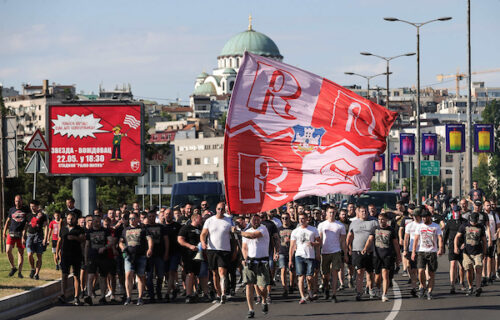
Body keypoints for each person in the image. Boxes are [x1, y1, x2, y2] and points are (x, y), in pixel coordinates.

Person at [363, 212, 401, 302]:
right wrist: (365, 248)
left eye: (382, 219)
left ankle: (385, 294)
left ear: (386, 220)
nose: (380, 221)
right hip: (377, 256)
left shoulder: (391, 230)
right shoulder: (375, 229)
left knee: (385, 274)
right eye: (379, 219)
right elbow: (370, 239)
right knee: (377, 276)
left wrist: (398, 255)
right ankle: (378, 289)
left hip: (387, 255)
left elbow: (396, 244)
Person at [201, 201, 233, 304]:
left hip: (224, 250)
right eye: (218, 209)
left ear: (225, 210)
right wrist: (203, 242)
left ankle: (223, 293)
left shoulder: (229, 220)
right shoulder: (210, 220)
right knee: (215, 274)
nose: (220, 211)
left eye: (222, 209)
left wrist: (234, 229)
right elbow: (203, 234)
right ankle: (218, 294)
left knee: (222, 272)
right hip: (212, 250)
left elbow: (233, 231)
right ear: (215, 209)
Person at [119, 211, 153, 306]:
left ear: (138, 219)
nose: (131, 220)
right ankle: (129, 297)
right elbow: (121, 242)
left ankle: (140, 297)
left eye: (133, 218)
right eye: (130, 218)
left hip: (140, 255)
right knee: (128, 275)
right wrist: (123, 248)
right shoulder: (125, 230)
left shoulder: (143, 229)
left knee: (140, 276)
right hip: (129, 256)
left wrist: (150, 249)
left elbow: (149, 239)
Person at [241, 214, 271, 319]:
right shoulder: (247, 231)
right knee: (249, 285)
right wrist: (245, 258)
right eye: (254, 220)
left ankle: (263, 300)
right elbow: (244, 247)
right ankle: (251, 309)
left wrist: (239, 232)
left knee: (262, 286)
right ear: (250, 221)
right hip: (250, 261)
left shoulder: (263, 229)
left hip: (262, 261)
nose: (256, 221)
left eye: (258, 219)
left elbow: (253, 236)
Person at [347, 206, 378, 301]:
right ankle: (359, 292)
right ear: (358, 213)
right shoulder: (353, 223)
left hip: (370, 251)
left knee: (370, 272)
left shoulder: (373, 222)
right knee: (359, 272)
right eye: (362, 211)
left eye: (365, 211)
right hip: (357, 250)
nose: (364, 213)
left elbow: (377, 235)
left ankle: (371, 289)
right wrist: (348, 248)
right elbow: (349, 236)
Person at [411, 208, 444, 300]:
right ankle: (422, 286)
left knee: (431, 274)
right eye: (422, 217)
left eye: (425, 217)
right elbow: (416, 239)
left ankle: (429, 291)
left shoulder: (435, 226)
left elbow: (440, 238)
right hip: (421, 251)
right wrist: (413, 252)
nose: (424, 219)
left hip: (432, 252)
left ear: (429, 217)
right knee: (421, 271)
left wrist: (440, 249)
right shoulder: (420, 226)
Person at [317, 206, 347, 302]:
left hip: (336, 251)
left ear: (336, 213)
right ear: (326, 213)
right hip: (325, 252)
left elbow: (343, 241)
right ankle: (326, 289)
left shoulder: (340, 226)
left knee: (334, 273)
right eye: (330, 212)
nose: (331, 214)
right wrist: (318, 252)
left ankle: (334, 294)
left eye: (333, 212)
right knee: (325, 275)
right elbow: (319, 240)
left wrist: (345, 253)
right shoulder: (322, 225)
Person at [289, 212, 320, 304]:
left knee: (310, 277)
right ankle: (302, 297)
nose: (301, 220)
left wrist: (313, 244)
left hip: (310, 256)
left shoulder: (313, 229)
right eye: (300, 219)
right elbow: (291, 246)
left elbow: (319, 242)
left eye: (303, 218)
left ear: (307, 219)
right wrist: (290, 260)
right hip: (299, 255)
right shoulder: (295, 231)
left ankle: (310, 291)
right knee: (301, 277)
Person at [178, 213, 210, 303]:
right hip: (189, 255)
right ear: (195, 219)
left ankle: (205, 294)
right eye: (200, 219)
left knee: (203, 274)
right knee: (190, 274)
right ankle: (189, 294)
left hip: (201, 255)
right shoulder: (186, 228)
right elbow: (180, 239)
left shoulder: (201, 229)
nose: (202, 220)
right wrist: (189, 246)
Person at [454, 212, 487, 296]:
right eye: (472, 221)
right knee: (469, 269)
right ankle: (470, 286)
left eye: (475, 221)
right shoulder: (464, 226)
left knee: (478, 268)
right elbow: (457, 237)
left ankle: (478, 288)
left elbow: (484, 240)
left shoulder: (481, 227)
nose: (473, 223)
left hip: (478, 251)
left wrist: (484, 252)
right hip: (467, 252)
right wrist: (455, 247)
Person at [57, 211, 86, 305]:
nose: (70, 220)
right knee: (64, 275)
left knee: (76, 276)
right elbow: (59, 241)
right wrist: (57, 253)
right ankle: (63, 295)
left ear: (75, 219)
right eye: (69, 218)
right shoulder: (63, 229)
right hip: (65, 255)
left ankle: (76, 297)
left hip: (76, 255)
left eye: (72, 219)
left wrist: (75, 238)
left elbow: (83, 239)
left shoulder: (79, 229)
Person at [84, 215, 113, 305]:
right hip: (92, 257)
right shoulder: (89, 232)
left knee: (102, 277)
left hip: (103, 257)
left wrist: (104, 247)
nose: (96, 223)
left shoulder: (105, 231)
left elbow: (111, 242)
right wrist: (85, 258)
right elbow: (87, 245)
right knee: (90, 276)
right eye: (94, 221)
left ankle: (102, 296)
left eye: (98, 221)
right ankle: (89, 295)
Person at [144, 210, 169, 303]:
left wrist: (166, 252)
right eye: (149, 216)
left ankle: (158, 293)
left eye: (153, 216)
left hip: (160, 255)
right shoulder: (144, 228)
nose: (151, 218)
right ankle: (151, 295)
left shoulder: (161, 227)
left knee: (160, 275)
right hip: (149, 256)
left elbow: (166, 240)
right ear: (147, 217)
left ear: (156, 217)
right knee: (149, 276)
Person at [3, 195, 29, 278]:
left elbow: (27, 223)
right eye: (16, 201)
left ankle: (20, 272)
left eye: (19, 200)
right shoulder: (12, 210)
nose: (18, 202)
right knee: (8, 251)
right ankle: (13, 267)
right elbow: (7, 221)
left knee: (20, 254)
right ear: (14, 201)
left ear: (22, 201)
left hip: (21, 235)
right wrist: (4, 232)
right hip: (11, 233)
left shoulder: (26, 210)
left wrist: (24, 234)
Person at [443, 205, 466, 294]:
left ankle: (461, 282)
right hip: (452, 246)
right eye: (454, 211)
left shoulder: (464, 222)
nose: (456, 213)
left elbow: (467, 233)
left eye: (458, 211)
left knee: (462, 266)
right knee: (453, 265)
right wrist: (443, 246)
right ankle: (452, 284)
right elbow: (445, 234)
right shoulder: (449, 222)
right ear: (452, 212)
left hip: (462, 246)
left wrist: (464, 243)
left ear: (460, 212)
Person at [163, 208, 183, 301]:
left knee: (172, 271)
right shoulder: (162, 227)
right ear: (164, 215)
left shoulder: (178, 226)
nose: (168, 215)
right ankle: (174, 289)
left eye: (170, 214)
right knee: (166, 273)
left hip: (175, 252)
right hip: (164, 253)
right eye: (166, 214)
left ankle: (167, 293)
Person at [26, 200, 48, 280]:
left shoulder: (43, 215)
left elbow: (46, 226)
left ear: (37, 206)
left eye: (33, 206)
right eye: (31, 206)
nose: (32, 208)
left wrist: (45, 238)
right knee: (29, 254)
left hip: (39, 236)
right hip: (30, 236)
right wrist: (23, 236)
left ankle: (36, 274)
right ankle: (32, 268)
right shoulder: (28, 215)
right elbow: (26, 226)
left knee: (39, 256)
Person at [277, 212, 295, 297]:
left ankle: (291, 285)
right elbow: (276, 242)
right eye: (283, 218)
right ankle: (285, 288)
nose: (285, 220)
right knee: (283, 269)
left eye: (286, 218)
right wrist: (275, 252)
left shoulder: (294, 228)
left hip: (292, 251)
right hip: (282, 251)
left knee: (292, 270)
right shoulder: (279, 229)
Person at [482, 200, 499, 285]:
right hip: (483, 239)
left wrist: (497, 233)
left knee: (490, 257)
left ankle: (489, 275)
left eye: (489, 205)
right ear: (484, 206)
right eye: (487, 205)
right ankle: (483, 276)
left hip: (492, 239)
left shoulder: (494, 215)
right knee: (483, 258)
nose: (489, 207)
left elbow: (498, 226)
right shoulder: (481, 215)